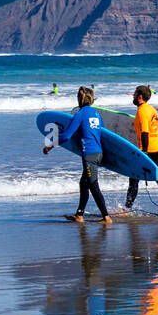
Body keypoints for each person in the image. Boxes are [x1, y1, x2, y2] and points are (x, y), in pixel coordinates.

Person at [44, 86, 111, 224]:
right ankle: (79, 215)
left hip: (89, 154)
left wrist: (50, 145)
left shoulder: (80, 114)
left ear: (80, 98)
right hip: (99, 152)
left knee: (93, 184)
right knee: (84, 183)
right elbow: (102, 133)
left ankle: (106, 217)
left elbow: (67, 135)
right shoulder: (96, 114)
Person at [125, 85, 158, 218]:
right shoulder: (152, 110)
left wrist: (144, 153)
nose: (134, 96)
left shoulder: (142, 111)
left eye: (135, 94)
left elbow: (145, 133)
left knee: (134, 180)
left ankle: (127, 208)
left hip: (147, 150)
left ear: (140, 96)